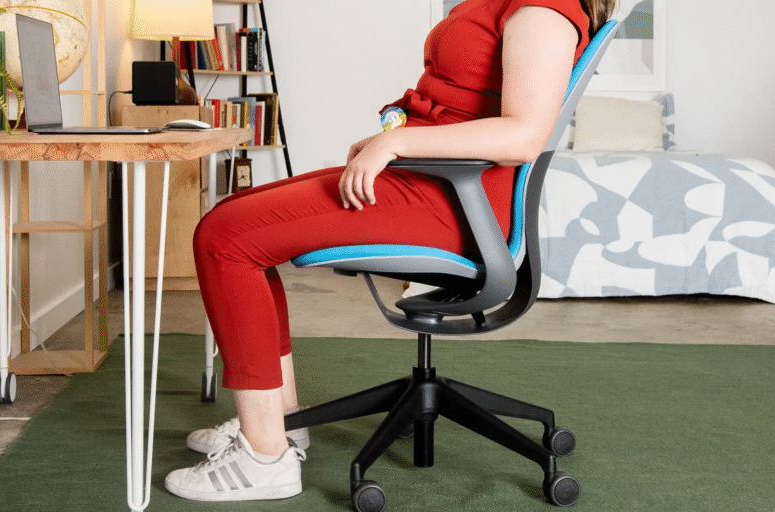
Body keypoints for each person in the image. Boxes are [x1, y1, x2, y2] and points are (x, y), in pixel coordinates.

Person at [165, 0, 616, 502]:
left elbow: (524, 135)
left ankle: (265, 458)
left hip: (453, 203)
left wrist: (395, 144)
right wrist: (395, 141)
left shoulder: (544, 9)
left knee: (226, 239)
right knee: (237, 216)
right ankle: (279, 422)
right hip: (425, 180)